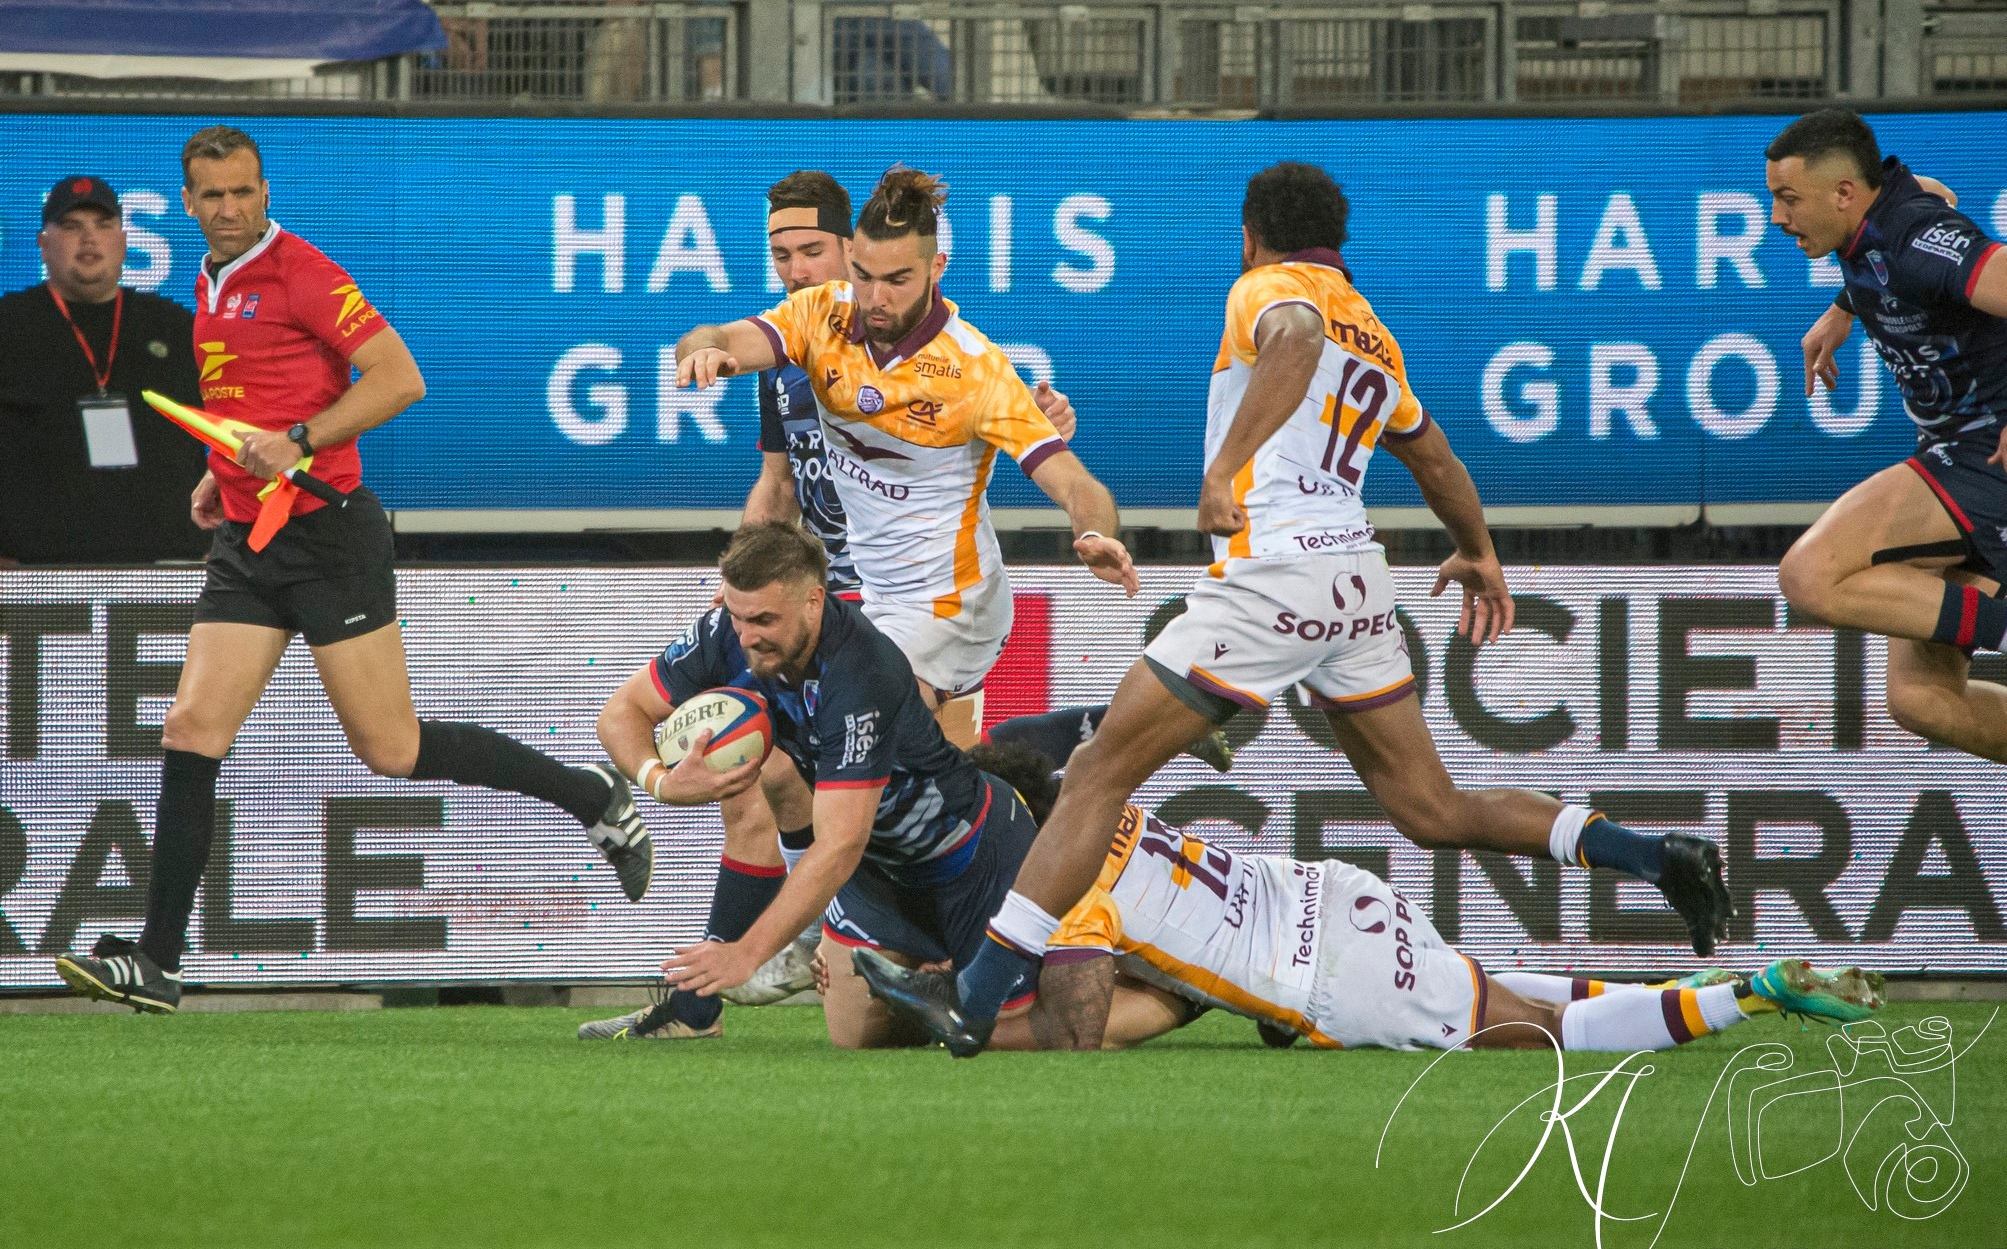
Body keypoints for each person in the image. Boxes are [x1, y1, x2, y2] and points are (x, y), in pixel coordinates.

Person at [934, 161, 1734, 1056]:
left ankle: (979, 990)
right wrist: (1478, 551)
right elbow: (1433, 460)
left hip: (1274, 575)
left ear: (1249, 234)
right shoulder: (1376, 337)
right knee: (1429, 807)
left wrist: (1223, 467)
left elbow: (1295, 341)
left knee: (1093, 777)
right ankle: (1647, 855)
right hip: (1355, 584)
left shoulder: (1268, 288)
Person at [52, 125, 646, 1014]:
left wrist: (295, 442)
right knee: (190, 728)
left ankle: (586, 792)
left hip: (329, 536)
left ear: (264, 190)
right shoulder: (208, 283)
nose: (230, 208)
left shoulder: (302, 271)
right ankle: (159, 960)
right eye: (212, 196)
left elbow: (399, 379)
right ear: (185, 205)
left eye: (244, 192)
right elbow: (254, 401)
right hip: (251, 542)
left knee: (390, 748)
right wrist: (223, 475)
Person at [853, 742, 1885, 1054]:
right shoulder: (1103, 802)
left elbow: (1080, 1035)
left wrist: (952, 1007)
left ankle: (1751, 992)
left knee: (1533, 1034)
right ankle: (1722, 980)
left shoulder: (1066, 882)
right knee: (1495, 987)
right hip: (1332, 893)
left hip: (1330, 976)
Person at [675, 165, 1139, 749]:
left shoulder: (976, 370)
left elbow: (1077, 485)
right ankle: (1073, 740)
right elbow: (715, 336)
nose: (874, 298)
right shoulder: (820, 314)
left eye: (897, 280)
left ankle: (1099, 735)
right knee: (927, 775)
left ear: (936, 268)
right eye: (864, 277)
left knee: (859, 736)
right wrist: (703, 351)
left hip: (955, 601)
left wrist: (1095, 533)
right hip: (877, 593)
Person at [581, 521, 1041, 1045]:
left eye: (764, 620)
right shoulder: (726, 635)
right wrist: (661, 782)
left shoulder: (863, 670)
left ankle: (962, 985)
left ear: (814, 602)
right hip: (880, 873)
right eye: (737, 617)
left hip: (970, 856)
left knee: (1017, 1034)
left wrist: (746, 954)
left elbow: (842, 842)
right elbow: (623, 711)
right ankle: (931, 980)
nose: (748, 636)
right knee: (858, 1037)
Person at [1772, 109, 2007, 765]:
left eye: (1787, 199)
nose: (1774, 217)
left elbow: (1927, 235)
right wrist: (1841, 310)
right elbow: (1921, 204)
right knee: (1923, 700)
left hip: (1982, 456)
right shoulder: (1883, 219)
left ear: (1843, 192)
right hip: (1959, 455)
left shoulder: (1917, 236)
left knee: (1809, 574)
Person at [0, 176, 210, 565]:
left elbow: (234, 432)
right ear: (43, 245)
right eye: (71, 226)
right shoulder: (9, 327)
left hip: (173, 562)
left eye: (103, 225)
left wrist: (224, 544)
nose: (89, 238)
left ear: (124, 242)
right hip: (34, 569)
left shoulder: (176, 327)